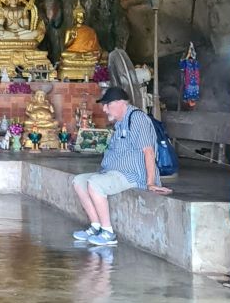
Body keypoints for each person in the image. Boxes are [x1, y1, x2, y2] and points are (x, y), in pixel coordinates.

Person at [71, 86, 172, 247]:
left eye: (107, 105)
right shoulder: (120, 123)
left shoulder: (137, 118)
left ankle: (108, 232)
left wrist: (151, 182)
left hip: (133, 175)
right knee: (79, 181)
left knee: (96, 183)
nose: (104, 109)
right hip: (114, 173)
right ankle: (96, 226)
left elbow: (148, 151)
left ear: (120, 103)